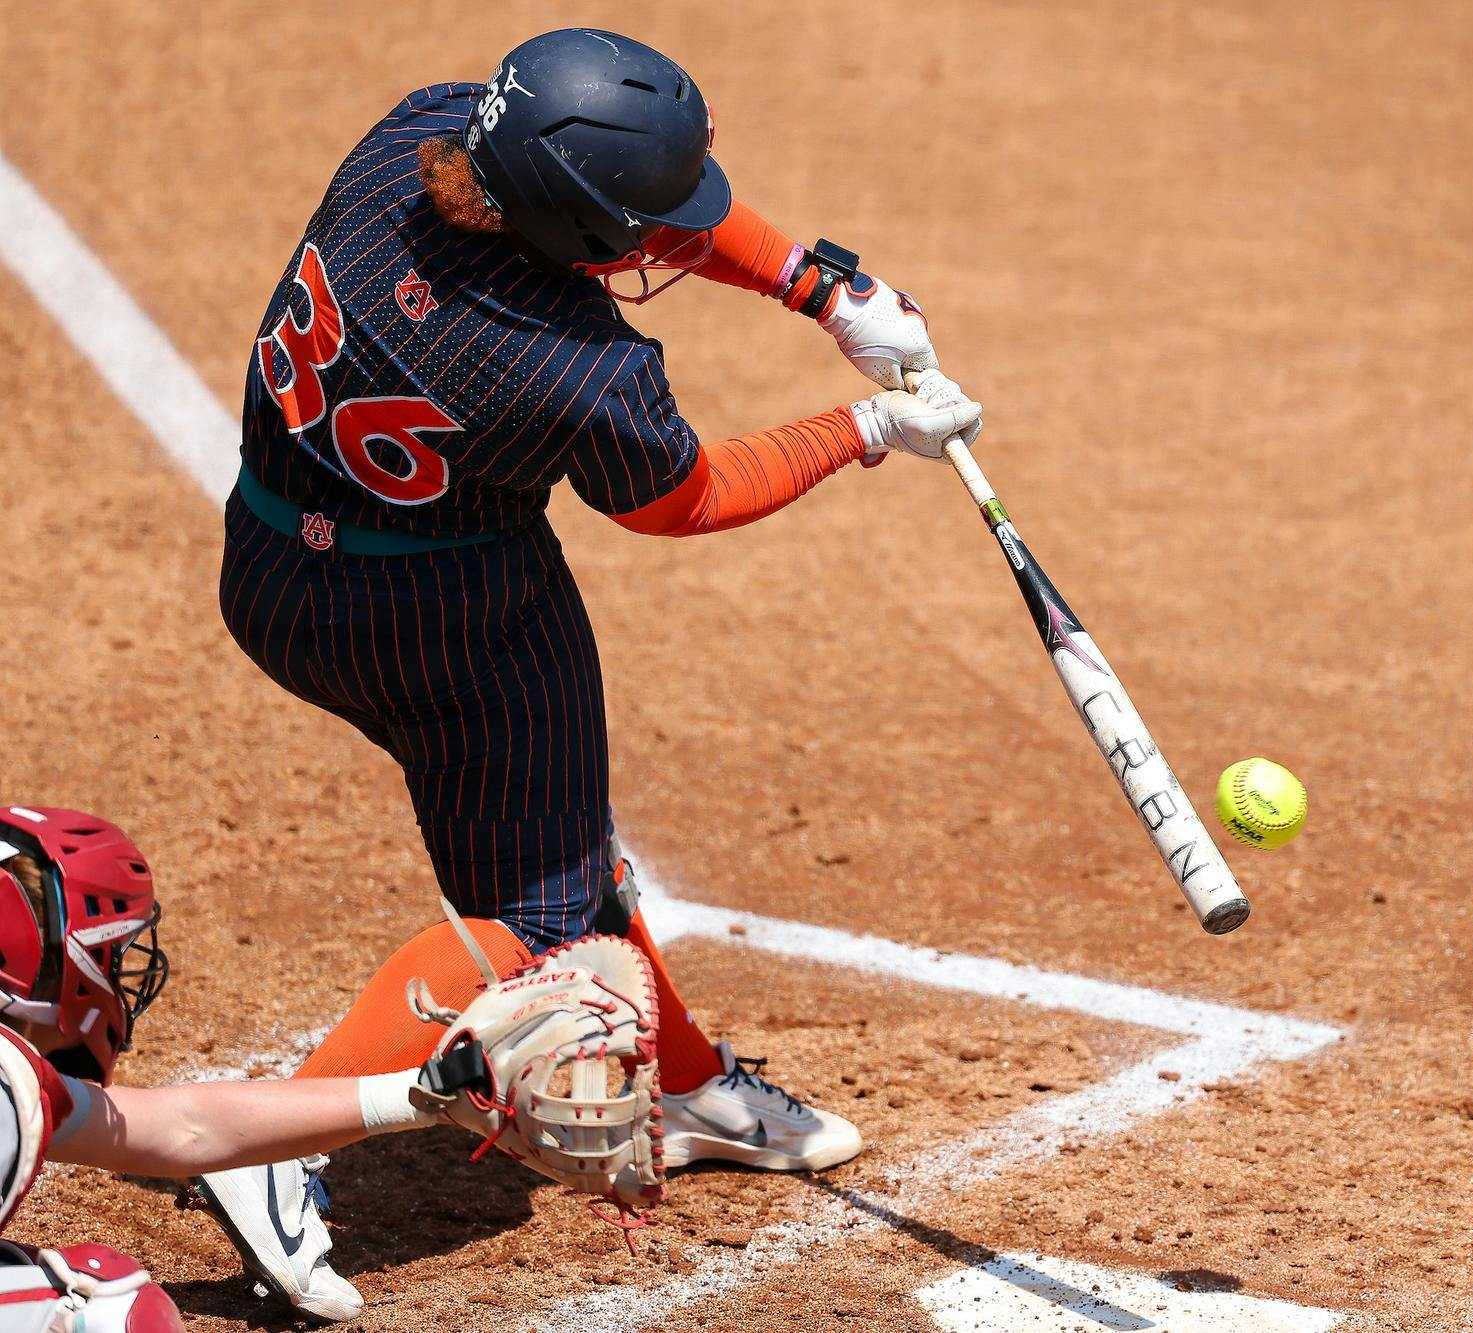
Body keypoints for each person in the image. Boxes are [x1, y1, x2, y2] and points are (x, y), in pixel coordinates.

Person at [206, 25, 985, 1322]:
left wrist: (822, 286)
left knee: (563, 844)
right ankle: (270, 1147)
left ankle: (678, 1079)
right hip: (448, 614)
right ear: (579, 232)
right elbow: (681, 498)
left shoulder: (413, 140)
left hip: (277, 562)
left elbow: (604, 208)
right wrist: (866, 427)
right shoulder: (576, 363)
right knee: (545, 919)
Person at [0, 806, 533, 1329]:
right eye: (114, 954)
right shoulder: (10, 1092)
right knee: (112, 1312)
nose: (125, 973)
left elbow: (185, 1126)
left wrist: (416, 1094)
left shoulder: (19, 1080)